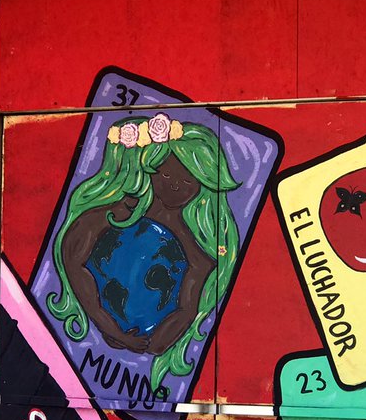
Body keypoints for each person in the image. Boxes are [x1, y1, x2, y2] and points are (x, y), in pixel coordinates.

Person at [46, 113, 240, 392]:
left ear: (202, 185)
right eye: (167, 173)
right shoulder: (121, 211)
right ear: (149, 168)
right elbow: (72, 254)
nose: (175, 186)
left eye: (188, 181)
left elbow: (188, 306)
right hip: (111, 326)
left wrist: (155, 341)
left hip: (143, 336)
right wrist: (107, 325)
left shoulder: (194, 249)